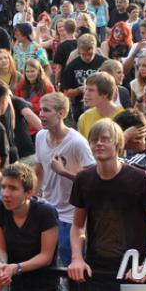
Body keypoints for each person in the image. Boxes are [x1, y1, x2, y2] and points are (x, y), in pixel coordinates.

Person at [67, 119, 146, 291]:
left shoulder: (139, 178)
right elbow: (77, 225)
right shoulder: (83, 179)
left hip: (135, 271)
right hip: (98, 271)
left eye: (105, 139)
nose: (99, 144)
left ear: (118, 144)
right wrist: (77, 258)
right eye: (94, 140)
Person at [0, 162, 60, 291]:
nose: (5, 193)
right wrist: (0, 264)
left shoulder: (45, 212)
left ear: (29, 193)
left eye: (13, 188)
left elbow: (46, 256)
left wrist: (16, 268)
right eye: (3, 187)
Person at [35, 92, 94, 267]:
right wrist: (33, 195)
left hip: (71, 216)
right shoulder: (40, 136)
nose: (41, 114)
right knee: (48, 264)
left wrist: (63, 172)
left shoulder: (77, 142)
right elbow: (39, 169)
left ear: (61, 113)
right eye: (40, 110)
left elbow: (92, 180)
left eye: (46, 110)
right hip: (48, 210)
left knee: (69, 266)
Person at [61, 34, 107, 123]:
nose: (87, 57)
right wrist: (80, 89)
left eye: (90, 54)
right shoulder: (72, 66)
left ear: (95, 49)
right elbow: (66, 92)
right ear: (78, 51)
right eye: (84, 54)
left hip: (101, 105)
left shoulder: (103, 62)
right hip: (80, 107)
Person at [77, 72, 122, 139]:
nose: (86, 94)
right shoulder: (84, 118)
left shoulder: (123, 115)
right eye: (86, 89)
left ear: (105, 93)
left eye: (91, 90)